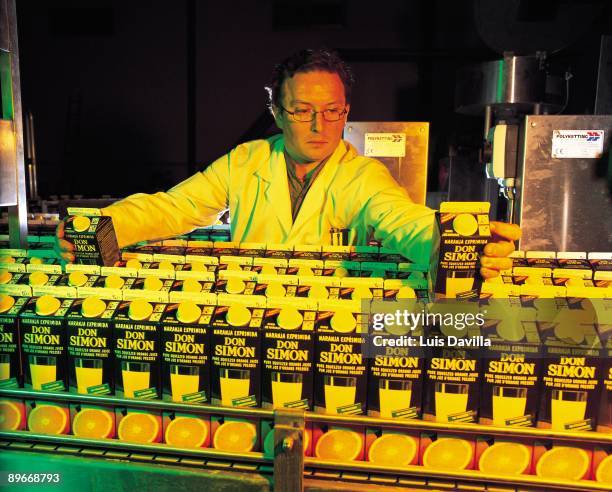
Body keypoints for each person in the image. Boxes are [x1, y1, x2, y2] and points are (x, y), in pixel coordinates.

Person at [56, 48, 519, 277]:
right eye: (301, 111)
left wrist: (457, 244)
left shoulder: (362, 176)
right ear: (276, 112)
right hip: (246, 319)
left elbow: (404, 221)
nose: (319, 125)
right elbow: (174, 208)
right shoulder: (246, 161)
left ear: (346, 111)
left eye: (332, 111)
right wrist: (103, 226)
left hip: (328, 328)